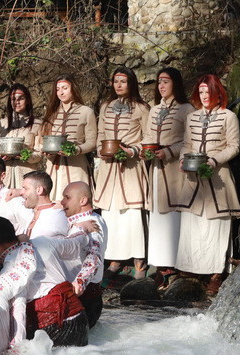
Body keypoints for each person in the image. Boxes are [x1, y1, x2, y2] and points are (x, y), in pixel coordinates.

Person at [176, 74, 240, 295]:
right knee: (192, 222)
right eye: (201, 92)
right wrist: (182, 160)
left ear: (218, 93)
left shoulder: (229, 117)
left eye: (208, 92)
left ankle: (216, 272)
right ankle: (190, 269)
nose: (205, 96)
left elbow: (234, 147)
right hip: (193, 178)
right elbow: (187, 143)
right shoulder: (192, 117)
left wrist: (214, 160)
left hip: (218, 177)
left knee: (216, 224)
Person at [0, 217, 88, 348]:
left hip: (53, 324)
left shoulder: (10, 270)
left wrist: (15, 348)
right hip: (79, 316)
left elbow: (18, 310)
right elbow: (76, 243)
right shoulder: (42, 241)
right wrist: (83, 229)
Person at [94, 66, 151, 281]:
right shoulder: (106, 106)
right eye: (116, 81)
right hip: (109, 168)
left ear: (131, 83)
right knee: (111, 213)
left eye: (123, 81)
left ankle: (139, 262)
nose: (118, 85)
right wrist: (102, 149)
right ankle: (114, 261)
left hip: (132, 166)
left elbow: (148, 137)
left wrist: (133, 150)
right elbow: (101, 133)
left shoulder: (141, 108)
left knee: (132, 214)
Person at [143, 67, 196, 287]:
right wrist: (145, 150)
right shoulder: (154, 110)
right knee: (157, 215)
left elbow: (189, 140)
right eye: (159, 82)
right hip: (156, 168)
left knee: (174, 214)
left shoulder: (187, 109)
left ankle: (176, 264)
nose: (162, 86)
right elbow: (147, 136)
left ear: (176, 83)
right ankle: (160, 264)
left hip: (175, 168)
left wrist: (170, 151)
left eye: (166, 81)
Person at [37, 74, 97, 202]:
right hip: (53, 167)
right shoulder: (51, 113)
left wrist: (75, 149)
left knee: (76, 203)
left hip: (76, 167)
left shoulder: (86, 112)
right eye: (58, 89)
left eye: (64, 88)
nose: (60, 92)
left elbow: (92, 142)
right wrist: (44, 150)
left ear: (73, 89)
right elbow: (42, 140)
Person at [60, 181, 106, 327]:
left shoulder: (91, 223)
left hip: (84, 297)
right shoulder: (88, 219)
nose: (62, 202)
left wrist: (80, 281)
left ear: (83, 200)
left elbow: (94, 257)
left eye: (67, 197)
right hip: (85, 296)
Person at [0, 83, 43, 189]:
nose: (17, 102)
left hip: (28, 176)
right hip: (5, 176)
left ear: (27, 100)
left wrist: (27, 156)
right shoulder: (2, 124)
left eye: (21, 98)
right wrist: (0, 157)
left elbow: (40, 153)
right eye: (13, 99)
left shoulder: (37, 124)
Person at [16, 170, 69, 240]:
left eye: (25, 188)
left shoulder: (58, 215)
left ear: (39, 190)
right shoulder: (31, 213)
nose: (21, 192)